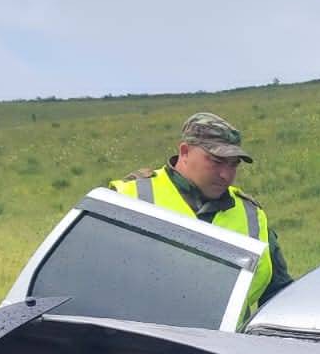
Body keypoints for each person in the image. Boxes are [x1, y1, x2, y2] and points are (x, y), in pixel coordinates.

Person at [109, 112, 291, 324]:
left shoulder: (251, 215)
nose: (226, 175)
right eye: (216, 162)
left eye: (233, 165)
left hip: (222, 351)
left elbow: (279, 298)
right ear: (184, 152)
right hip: (143, 347)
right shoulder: (129, 198)